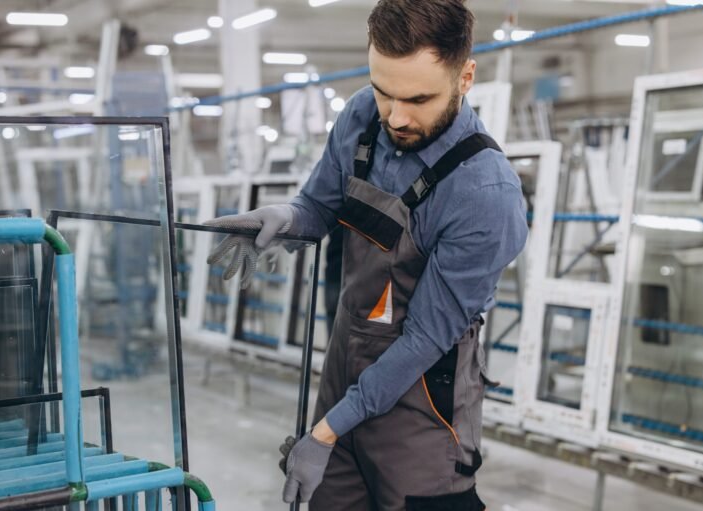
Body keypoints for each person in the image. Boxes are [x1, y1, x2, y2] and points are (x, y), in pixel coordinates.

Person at [205, 0, 528, 508]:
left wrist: (327, 431)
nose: (396, 117)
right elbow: (319, 204)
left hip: (422, 402)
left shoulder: (484, 193)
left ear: (465, 77)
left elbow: (423, 338)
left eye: (417, 99)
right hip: (344, 366)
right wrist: (288, 219)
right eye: (384, 92)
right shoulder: (361, 115)